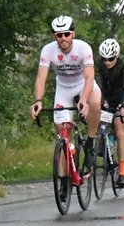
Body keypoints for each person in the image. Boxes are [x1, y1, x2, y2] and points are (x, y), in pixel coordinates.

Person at [29, 15, 102, 157]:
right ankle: (65, 173)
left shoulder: (83, 48)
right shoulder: (48, 50)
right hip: (63, 87)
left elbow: (89, 76)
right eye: (59, 35)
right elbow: (40, 78)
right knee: (62, 133)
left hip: (83, 84)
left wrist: (84, 100)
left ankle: (90, 141)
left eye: (67, 34)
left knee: (95, 103)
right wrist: (38, 101)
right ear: (54, 36)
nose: (63, 38)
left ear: (73, 34)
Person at [96, 38, 124, 189]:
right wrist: (99, 102)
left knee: (119, 127)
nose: (107, 62)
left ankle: (122, 172)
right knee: (97, 121)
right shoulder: (98, 64)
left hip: (121, 99)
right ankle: (102, 143)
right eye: (104, 59)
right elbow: (96, 84)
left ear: (116, 56)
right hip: (105, 97)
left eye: (110, 59)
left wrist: (123, 104)